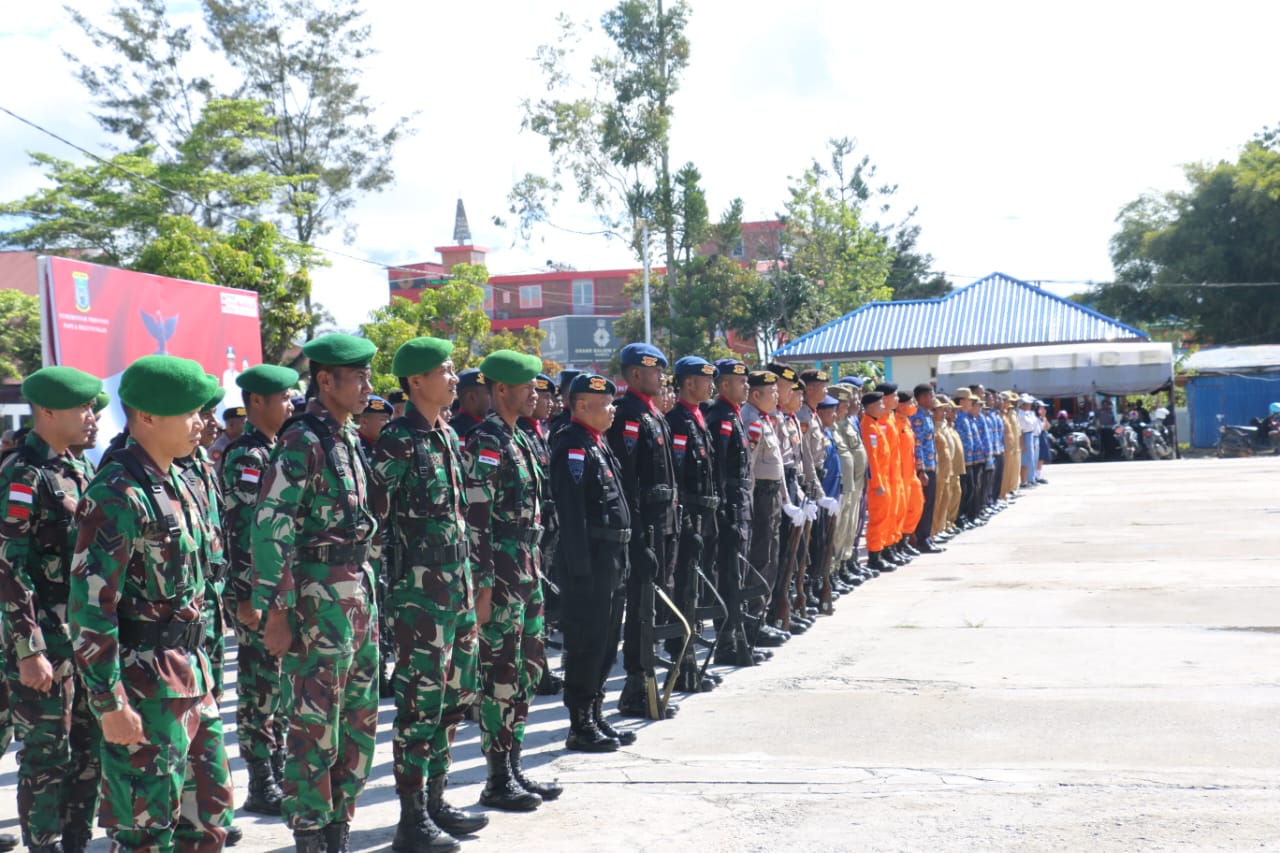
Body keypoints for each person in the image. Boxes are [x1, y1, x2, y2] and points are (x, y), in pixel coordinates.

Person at [69, 356, 233, 851]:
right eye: (188, 412)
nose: (200, 422)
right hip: (143, 690)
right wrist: (109, 703)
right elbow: (90, 609)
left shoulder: (178, 480)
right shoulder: (117, 493)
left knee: (208, 820)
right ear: (146, 417)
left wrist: (211, 676)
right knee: (145, 831)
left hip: (191, 679)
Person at [250, 333, 380, 852]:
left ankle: (337, 827)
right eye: (360, 377)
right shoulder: (302, 440)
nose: (369, 386)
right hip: (316, 597)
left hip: (355, 589)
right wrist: (276, 611)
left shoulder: (344, 435)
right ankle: (309, 832)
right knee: (312, 722)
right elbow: (269, 526)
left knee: (359, 719)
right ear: (326, 380)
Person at [370, 338, 488, 852]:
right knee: (420, 705)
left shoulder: (444, 435)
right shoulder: (397, 440)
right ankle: (411, 817)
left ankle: (437, 800)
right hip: (419, 600)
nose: (455, 377)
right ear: (416, 381)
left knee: (456, 699)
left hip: (456, 593)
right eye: (446, 370)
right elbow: (372, 520)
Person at [0, 367, 103, 853]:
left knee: (88, 753)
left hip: (81, 636)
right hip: (41, 642)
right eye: (82, 408)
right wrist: (28, 651)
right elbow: (7, 568)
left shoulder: (75, 467)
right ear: (46, 411)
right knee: (48, 759)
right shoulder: (23, 474)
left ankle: (76, 844)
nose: (91, 416)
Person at [461, 350, 555, 812]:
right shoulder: (487, 441)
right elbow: (476, 521)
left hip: (526, 567)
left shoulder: (521, 438)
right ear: (501, 390)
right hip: (500, 573)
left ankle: (514, 765)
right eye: (526, 386)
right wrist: (481, 587)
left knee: (529, 668)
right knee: (500, 674)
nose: (534, 392)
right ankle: (497, 777)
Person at [221, 364, 298, 818]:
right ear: (256, 403)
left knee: (279, 684)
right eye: (282, 398)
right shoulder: (247, 455)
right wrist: (249, 595)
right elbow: (242, 528)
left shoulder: (277, 448)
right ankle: (261, 778)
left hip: (277, 588)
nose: (290, 405)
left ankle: (279, 765)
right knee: (258, 687)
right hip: (257, 593)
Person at [550, 373, 635, 752]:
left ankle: (596, 713)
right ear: (581, 405)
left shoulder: (596, 444)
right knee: (586, 643)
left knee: (606, 641)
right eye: (605, 403)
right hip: (590, 563)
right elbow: (571, 515)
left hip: (612, 557)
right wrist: (581, 570)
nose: (612, 409)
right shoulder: (571, 446)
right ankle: (580, 723)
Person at [606, 343, 682, 720]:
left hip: (663, 524)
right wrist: (636, 538)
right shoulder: (628, 416)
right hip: (644, 529)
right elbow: (628, 481)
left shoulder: (653, 415)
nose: (661, 378)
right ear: (635, 374)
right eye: (655, 371)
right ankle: (636, 687)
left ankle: (649, 684)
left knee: (656, 605)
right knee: (641, 608)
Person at [664, 357, 722, 692]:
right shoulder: (678, 421)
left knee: (695, 592)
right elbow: (679, 477)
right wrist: (687, 522)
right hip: (688, 519)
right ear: (689, 384)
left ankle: (691, 662)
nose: (710, 386)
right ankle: (682, 665)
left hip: (703, 516)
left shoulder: (696, 417)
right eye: (705, 380)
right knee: (684, 590)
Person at [704, 360, 759, 667]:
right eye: (740, 382)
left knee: (736, 575)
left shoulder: (733, 415)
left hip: (740, 503)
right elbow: (720, 469)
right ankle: (728, 641)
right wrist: (726, 510)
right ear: (724, 385)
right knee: (729, 577)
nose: (746, 387)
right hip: (730, 507)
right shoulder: (721, 418)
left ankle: (738, 638)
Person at [520, 375, 563, 699]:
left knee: (543, 605)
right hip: (525, 535)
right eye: (539, 395)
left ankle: (540, 669)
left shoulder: (539, 433)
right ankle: (536, 672)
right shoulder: (519, 433)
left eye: (546, 396)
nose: (546, 402)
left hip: (547, 528)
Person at [740, 370, 787, 651]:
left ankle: (762, 617)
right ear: (756, 395)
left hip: (771, 496)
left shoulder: (764, 419)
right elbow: (750, 466)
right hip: (758, 498)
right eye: (772, 392)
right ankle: (753, 621)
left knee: (769, 557)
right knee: (758, 559)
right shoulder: (751, 420)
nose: (777, 396)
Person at [859, 391, 895, 572]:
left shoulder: (874, 424)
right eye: (880, 404)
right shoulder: (868, 426)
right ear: (872, 407)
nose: (883, 407)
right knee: (877, 520)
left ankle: (879, 552)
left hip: (885, 479)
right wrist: (877, 483)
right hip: (877, 484)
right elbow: (871, 460)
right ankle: (874, 556)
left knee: (884, 517)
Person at [908, 384, 943, 554]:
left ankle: (926, 536)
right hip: (924, 468)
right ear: (921, 398)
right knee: (924, 503)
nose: (933, 398)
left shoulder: (927, 415)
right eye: (931, 395)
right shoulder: (917, 417)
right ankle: (920, 539)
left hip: (931, 465)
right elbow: (918, 444)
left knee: (930, 504)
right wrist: (920, 470)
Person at [450, 369, 490, 441]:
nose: (494, 398)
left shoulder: (490, 427)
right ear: (472, 397)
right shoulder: (455, 433)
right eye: (490, 394)